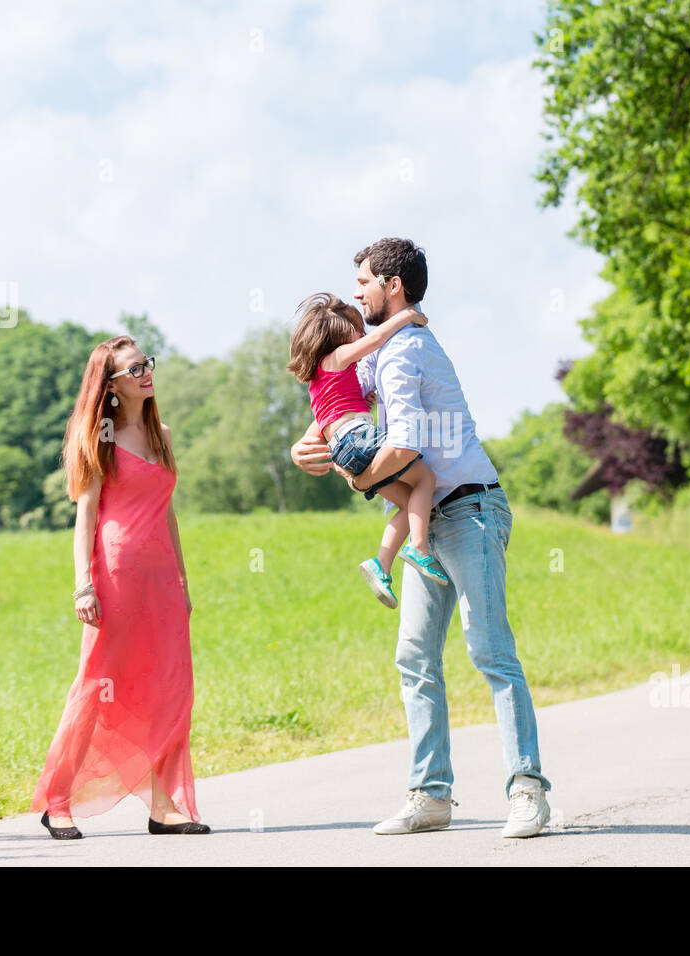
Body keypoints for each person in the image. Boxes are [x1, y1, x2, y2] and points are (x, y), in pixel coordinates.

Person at [290, 238, 552, 838]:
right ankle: (431, 795)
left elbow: (404, 448)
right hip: (427, 517)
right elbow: (335, 402)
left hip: (468, 511)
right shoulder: (380, 353)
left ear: (393, 285)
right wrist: (307, 445)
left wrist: (352, 474)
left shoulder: (405, 352)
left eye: (363, 281)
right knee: (414, 656)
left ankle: (527, 790)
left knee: (489, 650)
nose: (357, 292)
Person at [31, 336, 208, 839]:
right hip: (115, 578)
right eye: (133, 370)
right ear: (110, 386)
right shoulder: (100, 437)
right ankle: (58, 801)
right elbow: (85, 516)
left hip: (161, 582)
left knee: (168, 688)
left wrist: (183, 580)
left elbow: (167, 513)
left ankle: (163, 806)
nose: (145, 374)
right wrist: (83, 586)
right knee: (96, 686)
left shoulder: (164, 435)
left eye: (146, 365)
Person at [286, 292, 449, 608]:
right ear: (340, 334)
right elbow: (377, 339)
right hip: (358, 439)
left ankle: (381, 566)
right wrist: (408, 315)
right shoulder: (338, 355)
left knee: (411, 504)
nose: (361, 334)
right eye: (356, 329)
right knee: (425, 478)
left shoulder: (320, 376)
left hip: (345, 449)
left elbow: (332, 414)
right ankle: (419, 548)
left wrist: (362, 405)